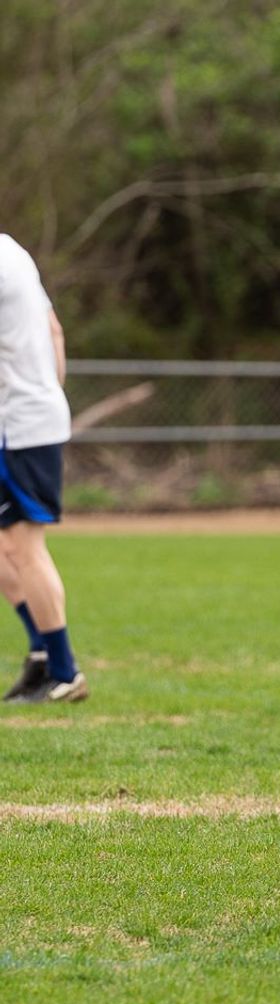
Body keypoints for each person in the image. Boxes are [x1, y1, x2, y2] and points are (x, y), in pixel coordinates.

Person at [0, 233, 88, 703]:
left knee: (23, 546)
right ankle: (41, 656)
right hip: (27, 418)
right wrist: (49, 394)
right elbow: (55, 329)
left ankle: (64, 671)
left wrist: (34, 405)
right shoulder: (12, 250)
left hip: (19, 427)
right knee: (4, 547)